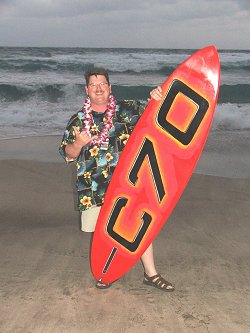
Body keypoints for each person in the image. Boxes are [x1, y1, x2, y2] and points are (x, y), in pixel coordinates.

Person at [59, 67, 174, 291]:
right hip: (94, 188)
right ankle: (106, 272)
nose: (98, 88)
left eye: (102, 84)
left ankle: (151, 274)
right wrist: (79, 143)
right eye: (93, 85)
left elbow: (155, 114)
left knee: (139, 227)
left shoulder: (128, 110)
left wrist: (155, 96)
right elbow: (67, 154)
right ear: (87, 90)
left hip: (127, 183)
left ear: (110, 87)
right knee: (102, 232)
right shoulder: (77, 121)